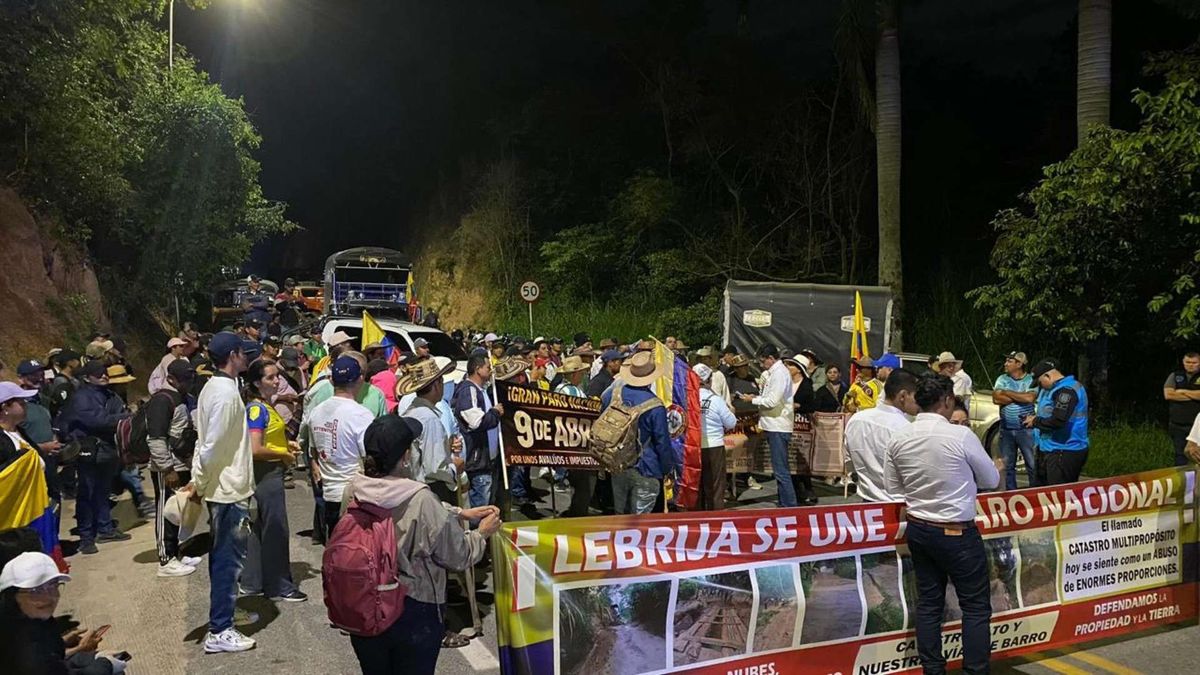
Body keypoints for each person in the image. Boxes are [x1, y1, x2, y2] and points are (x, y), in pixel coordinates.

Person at [342, 415, 500, 674]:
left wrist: (459, 512)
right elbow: (458, 555)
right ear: (405, 456)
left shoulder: (353, 490)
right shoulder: (421, 499)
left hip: (364, 604)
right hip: (413, 609)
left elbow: (406, 511)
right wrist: (481, 534)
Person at [885, 374, 1001, 675]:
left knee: (929, 603)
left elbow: (892, 486)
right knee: (975, 607)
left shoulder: (899, 437)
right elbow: (991, 479)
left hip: (919, 528)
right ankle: (975, 670)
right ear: (947, 400)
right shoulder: (960, 436)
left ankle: (933, 670)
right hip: (956, 532)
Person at [190, 332, 257, 653]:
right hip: (227, 490)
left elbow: (202, 441)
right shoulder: (225, 395)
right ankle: (220, 629)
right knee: (228, 560)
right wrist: (198, 484)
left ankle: (225, 612)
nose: (247, 356)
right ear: (233, 355)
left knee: (224, 557)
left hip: (224, 486)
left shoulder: (217, 388)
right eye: (244, 352)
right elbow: (211, 447)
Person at [239, 359, 306, 602]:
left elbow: (267, 439)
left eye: (277, 376)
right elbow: (255, 448)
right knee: (276, 529)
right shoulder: (257, 409)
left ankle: (252, 581)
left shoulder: (265, 406)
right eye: (270, 378)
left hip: (269, 472)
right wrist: (284, 454)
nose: (277, 380)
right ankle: (280, 585)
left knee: (261, 529)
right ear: (257, 382)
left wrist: (285, 445)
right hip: (266, 474)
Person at [0, 551, 129, 674]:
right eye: (35, 591)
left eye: (53, 585)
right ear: (12, 595)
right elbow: (40, 662)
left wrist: (66, 642)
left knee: (89, 658)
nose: (49, 597)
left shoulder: (25, 617)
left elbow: (48, 655)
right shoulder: (23, 647)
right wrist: (107, 664)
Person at [57, 360, 131, 555]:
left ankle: (105, 528)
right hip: (88, 451)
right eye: (98, 373)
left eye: (105, 372)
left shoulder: (109, 394)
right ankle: (86, 537)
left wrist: (119, 417)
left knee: (103, 491)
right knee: (87, 494)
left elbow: (118, 414)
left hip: (107, 450)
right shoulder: (82, 397)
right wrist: (121, 418)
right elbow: (97, 420)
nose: (104, 376)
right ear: (87, 377)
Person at [303, 356, 375, 540]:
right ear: (360, 379)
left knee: (336, 552)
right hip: (355, 498)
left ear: (332, 380)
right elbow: (371, 457)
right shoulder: (361, 415)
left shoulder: (316, 412)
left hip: (329, 494)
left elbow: (313, 452)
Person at [146, 360, 200, 578]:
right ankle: (166, 559)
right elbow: (156, 438)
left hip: (182, 463)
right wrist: (167, 468)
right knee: (165, 510)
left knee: (179, 509)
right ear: (171, 379)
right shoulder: (162, 400)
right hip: (166, 466)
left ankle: (177, 551)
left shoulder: (185, 398)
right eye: (184, 379)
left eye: (191, 378)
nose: (189, 383)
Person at [602, 351, 674, 514]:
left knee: (620, 514)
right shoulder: (655, 406)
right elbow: (662, 441)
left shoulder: (613, 394)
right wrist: (667, 468)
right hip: (646, 466)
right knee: (640, 519)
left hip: (618, 462)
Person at [736, 344, 797, 507]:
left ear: (771, 358)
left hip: (778, 425)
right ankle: (785, 503)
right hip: (773, 424)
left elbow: (771, 401)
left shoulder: (779, 374)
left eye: (763, 362)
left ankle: (789, 506)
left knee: (781, 470)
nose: (762, 365)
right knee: (779, 469)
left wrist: (752, 400)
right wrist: (756, 396)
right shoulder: (775, 373)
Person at [845, 369, 918, 502]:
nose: (919, 402)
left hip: (867, 501)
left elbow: (849, 463)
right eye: (916, 396)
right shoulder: (906, 429)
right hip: (898, 506)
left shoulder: (856, 420)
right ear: (902, 396)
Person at [452, 355, 507, 509]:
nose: (491, 371)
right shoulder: (469, 390)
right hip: (478, 462)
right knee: (480, 508)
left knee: (487, 504)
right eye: (488, 367)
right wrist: (495, 413)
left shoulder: (480, 390)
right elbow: (475, 421)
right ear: (478, 369)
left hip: (487, 460)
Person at [1025, 359, 1089, 486]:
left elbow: (1058, 421)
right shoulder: (1053, 389)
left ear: (1048, 375)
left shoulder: (1067, 390)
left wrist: (1035, 422)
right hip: (1049, 449)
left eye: (1040, 382)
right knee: (1042, 494)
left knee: (1058, 498)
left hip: (1064, 451)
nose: (1040, 386)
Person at [693, 364, 736, 511]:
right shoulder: (716, 400)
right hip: (714, 446)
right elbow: (731, 423)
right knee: (716, 487)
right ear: (709, 380)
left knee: (698, 485)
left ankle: (697, 519)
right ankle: (716, 519)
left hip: (694, 447)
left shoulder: (689, 400)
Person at [992, 351, 1038, 489]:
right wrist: (1020, 397)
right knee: (1008, 466)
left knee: (1032, 464)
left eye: (1009, 361)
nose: (1006, 364)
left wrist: (1006, 392)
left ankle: (1035, 493)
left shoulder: (1030, 380)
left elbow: (1030, 398)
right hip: (1006, 429)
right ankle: (1011, 494)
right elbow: (996, 398)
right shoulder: (1002, 379)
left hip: (1026, 429)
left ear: (1019, 364)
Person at [1163, 352, 1200, 466]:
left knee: (1196, 454)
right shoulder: (1175, 375)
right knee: (1180, 455)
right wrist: (1194, 396)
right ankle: (1183, 481)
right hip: (1177, 424)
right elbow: (1168, 395)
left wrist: (1182, 391)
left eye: (1194, 362)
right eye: (1188, 362)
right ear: (1183, 363)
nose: (1190, 365)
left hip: (1197, 426)